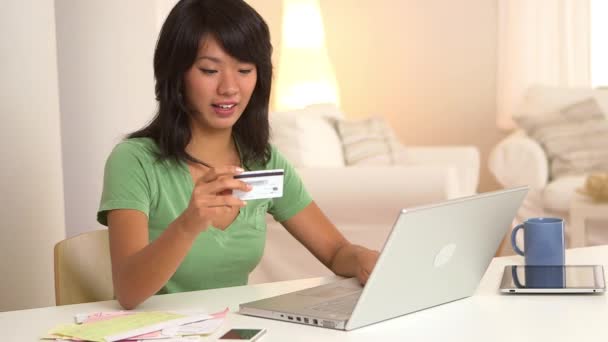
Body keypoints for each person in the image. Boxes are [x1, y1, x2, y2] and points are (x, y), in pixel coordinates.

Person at [97, 0, 379, 310]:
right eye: (210, 70)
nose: (230, 88)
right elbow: (128, 291)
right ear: (176, 74)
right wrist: (189, 224)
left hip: (232, 329)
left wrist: (363, 258)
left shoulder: (264, 161)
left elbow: (336, 252)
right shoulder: (134, 161)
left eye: (244, 70)